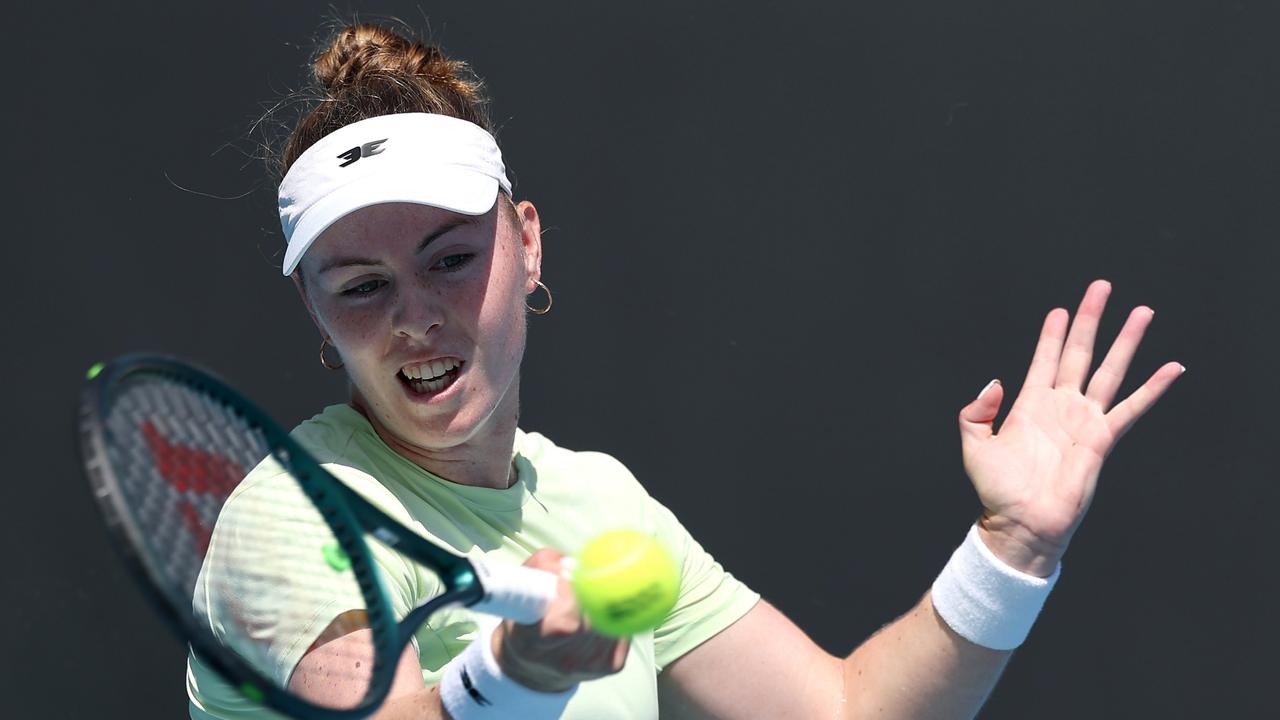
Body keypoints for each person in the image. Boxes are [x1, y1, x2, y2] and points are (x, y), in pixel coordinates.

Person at [186, 22, 1184, 720]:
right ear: (313, 311)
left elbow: (843, 712)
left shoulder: (599, 503)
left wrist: (1011, 546)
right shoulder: (293, 516)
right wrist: (513, 675)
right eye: (360, 286)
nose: (415, 317)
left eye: (451, 259)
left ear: (526, 244)